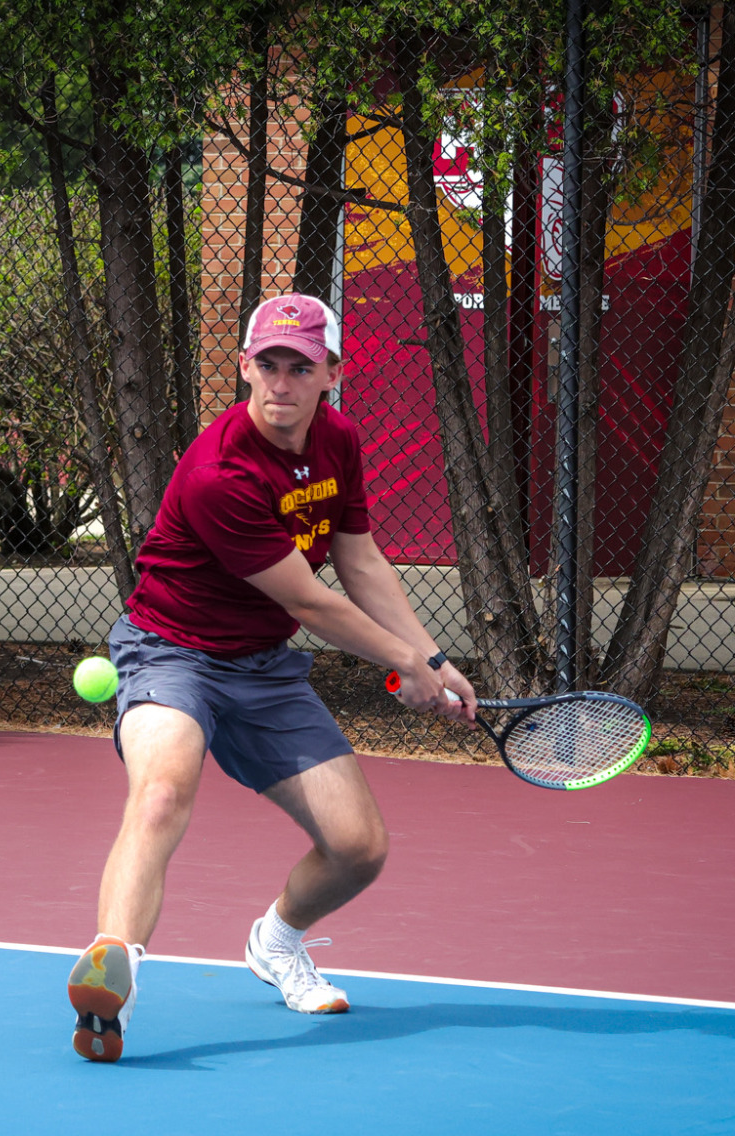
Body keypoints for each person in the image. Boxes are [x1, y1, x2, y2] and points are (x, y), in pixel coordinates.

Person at [65, 292, 477, 1064]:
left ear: (331, 374)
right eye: (267, 365)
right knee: (160, 790)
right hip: (169, 651)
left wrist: (436, 659)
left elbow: (359, 560)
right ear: (244, 367)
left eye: (300, 366)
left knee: (359, 847)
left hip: (263, 667)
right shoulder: (219, 471)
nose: (281, 383)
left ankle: (276, 940)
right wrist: (409, 663)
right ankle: (112, 971)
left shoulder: (338, 441)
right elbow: (311, 600)